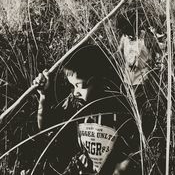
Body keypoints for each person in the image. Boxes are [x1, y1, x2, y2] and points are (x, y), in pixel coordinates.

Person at [33, 44, 141, 175]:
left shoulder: (119, 107)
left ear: (97, 80)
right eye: (72, 86)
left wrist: (122, 166)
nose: (75, 92)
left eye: (79, 85)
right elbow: (45, 127)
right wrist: (44, 95)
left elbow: (133, 148)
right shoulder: (75, 104)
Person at [116, 10, 167, 174]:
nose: (129, 37)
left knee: (141, 121)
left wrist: (156, 67)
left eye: (131, 33)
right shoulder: (124, 37)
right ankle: (126, 154)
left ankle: (139, 155)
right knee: (126, 120)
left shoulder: (147, 38)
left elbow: (161, 54)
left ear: (136, 27)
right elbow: (118, 54)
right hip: (126, 84)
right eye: (126, 34)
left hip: (143, 86)